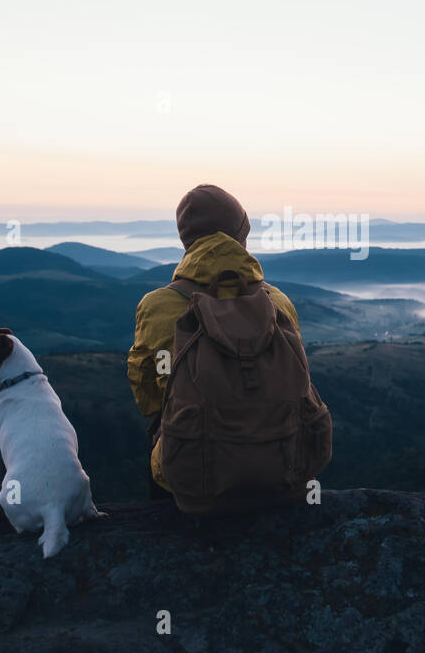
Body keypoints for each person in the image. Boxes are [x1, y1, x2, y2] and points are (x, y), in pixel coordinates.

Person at [126, 184, 302, 498]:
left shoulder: (156, 306)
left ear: (187, 240)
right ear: (241, 235)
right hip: (280, 468)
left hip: (190, 478)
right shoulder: (277, 303)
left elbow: (147, 388)